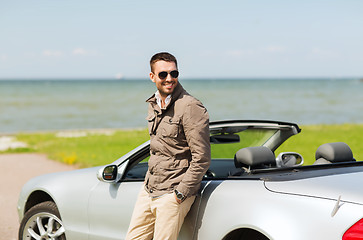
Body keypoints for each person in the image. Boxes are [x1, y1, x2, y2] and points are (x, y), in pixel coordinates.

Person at [125, 52, 211, 240]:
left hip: (172, 192)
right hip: (149, 189)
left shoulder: (190, 106)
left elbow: (202, 158)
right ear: (152, 77)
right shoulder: (154, 104)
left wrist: (180, 194)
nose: (169, 79)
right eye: (163, 74)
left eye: (174, 73)